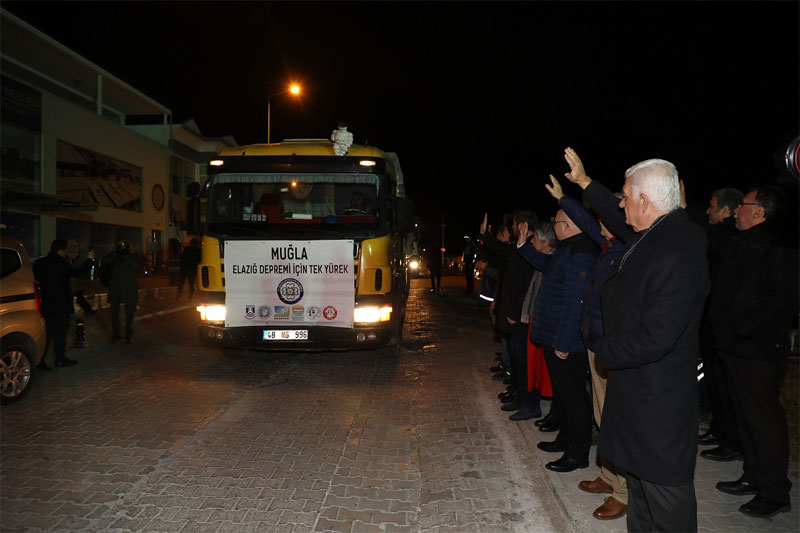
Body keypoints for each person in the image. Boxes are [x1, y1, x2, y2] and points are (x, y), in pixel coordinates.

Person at [563, 147, 709, 532]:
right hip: (640, 391)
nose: (620, 206)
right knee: (642, 493)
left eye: (625, 198)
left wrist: (604, 348)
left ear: (645, 201)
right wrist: (584, 183)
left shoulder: (679, 248)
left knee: (664, 495)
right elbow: (612, 217)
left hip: (658, 401)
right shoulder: (656, 232)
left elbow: (657, 337)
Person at [544, 171, 632, 521]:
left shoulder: (629, 246)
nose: (599, 223)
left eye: (608, 213)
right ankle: (609, 476)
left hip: (614, 346)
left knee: (615, 418)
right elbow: (588, 220)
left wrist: (578, 189)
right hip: (598, 344)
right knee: (601, 414)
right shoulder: (608, 246)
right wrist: (563, 198)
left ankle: (624, 490)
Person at [710, 185, 798, 518]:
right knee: (746, 419)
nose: (735, 211)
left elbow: (782, 301)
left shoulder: (779, 245)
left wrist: (745, 327)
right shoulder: (741, 240)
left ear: (759, 211)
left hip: (758, 350)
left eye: (742, 206)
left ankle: (775, 493)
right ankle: (753, 475)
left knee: (764, 422)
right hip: (735, 347)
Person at [518, 204, 598, 472]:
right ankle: (565, 439)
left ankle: (578, 452)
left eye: (558, 222)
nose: (554, 226)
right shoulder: (567, 250)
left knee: (574, 397)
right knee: (564, 395)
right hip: (555, 336)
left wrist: (564, 342)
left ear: (571, 227)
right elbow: (546, 264)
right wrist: (523, 247)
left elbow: (574, 304)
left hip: (566, 341)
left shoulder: (580, 253)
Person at [690, 188, 745, 460]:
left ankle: (731, 441)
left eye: (712, 206)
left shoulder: (730, 236)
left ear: (726, 210)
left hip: (726, 325)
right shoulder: (723, 235)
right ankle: (719, 429)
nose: (708, 211)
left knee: (726, 385)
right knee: (713, 380)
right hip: (712, 320)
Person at [481, 209, 540, 421]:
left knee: (525, 362)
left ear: (522, 225)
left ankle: (530, 403)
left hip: (521, 316)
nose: (512, 228)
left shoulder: (531, 247)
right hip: (514, 314)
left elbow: (522, 284)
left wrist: (514, 312)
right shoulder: (520, 247)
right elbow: (503, 252)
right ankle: (521, 398)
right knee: (517, 359)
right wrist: (485, 237)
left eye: (514, 224)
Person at [33, 239, 95, 368]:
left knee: (47, 334)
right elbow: (79, 273)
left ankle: (40, 361)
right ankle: (60, 359)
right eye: (66, 250)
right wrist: (89, 260)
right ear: (62, 250)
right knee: (60, 334)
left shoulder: (39, 263)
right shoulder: (61, 263)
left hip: (46, 304)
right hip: (61, 305)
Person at [103, 240, 141, 344]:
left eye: (124, 245)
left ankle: (128, 336)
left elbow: (136, 266)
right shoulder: (115, 256)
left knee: (130, 315)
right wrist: (116, 252)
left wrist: (125, 255)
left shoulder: (132, 256)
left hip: (129, 289)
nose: (122, 247)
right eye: (121, 245)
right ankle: (116, 335)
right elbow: (106, 261)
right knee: (114, 314)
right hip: (116, 289)